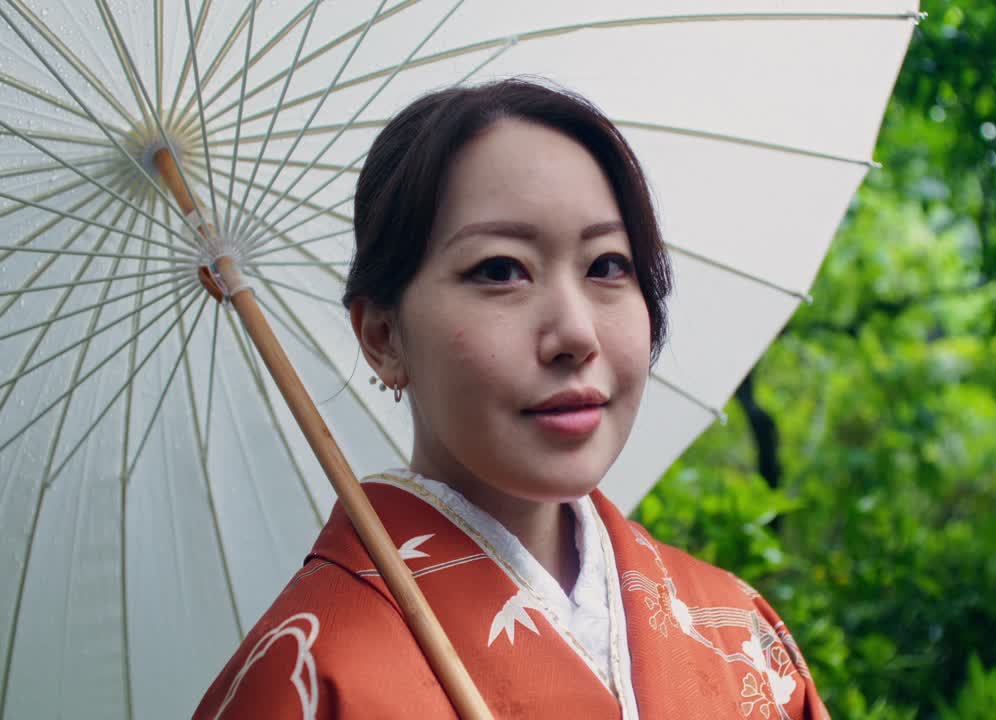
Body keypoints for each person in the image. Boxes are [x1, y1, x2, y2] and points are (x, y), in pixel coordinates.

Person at [193, 78, 828, 720]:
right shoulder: (307, 681)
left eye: (607, 264)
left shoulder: (742, 637)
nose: (576, 334)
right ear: (383, 337)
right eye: (501, 270)